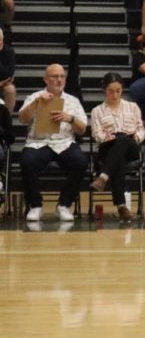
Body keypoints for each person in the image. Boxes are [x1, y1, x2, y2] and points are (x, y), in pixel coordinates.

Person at [18, 64, 88, 223]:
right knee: (27, 161)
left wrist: (69, 118)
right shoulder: (34, 97)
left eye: (62, 76)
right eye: (54, 76)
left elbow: (82, 129)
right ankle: (35, 206)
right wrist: (36, 103)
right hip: (38, 142)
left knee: (81, 161)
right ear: (45, 79)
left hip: (64, 142)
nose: (59, 80)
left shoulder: (73, 100)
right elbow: (22, 119)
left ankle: (64, 204)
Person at [88, 73, 145, 222]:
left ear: (122, 90)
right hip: (109, 146)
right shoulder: (97, 111)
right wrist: (106, 138)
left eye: (118, 90)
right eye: (111, 91)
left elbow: (141, 129)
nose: (114, 94)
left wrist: (136, 137)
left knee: (124, 140)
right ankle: (121, 207)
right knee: (117, 154)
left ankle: (103, 177)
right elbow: (96, 134)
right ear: (104, 90)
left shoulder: (132, 107)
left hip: (130, 146)